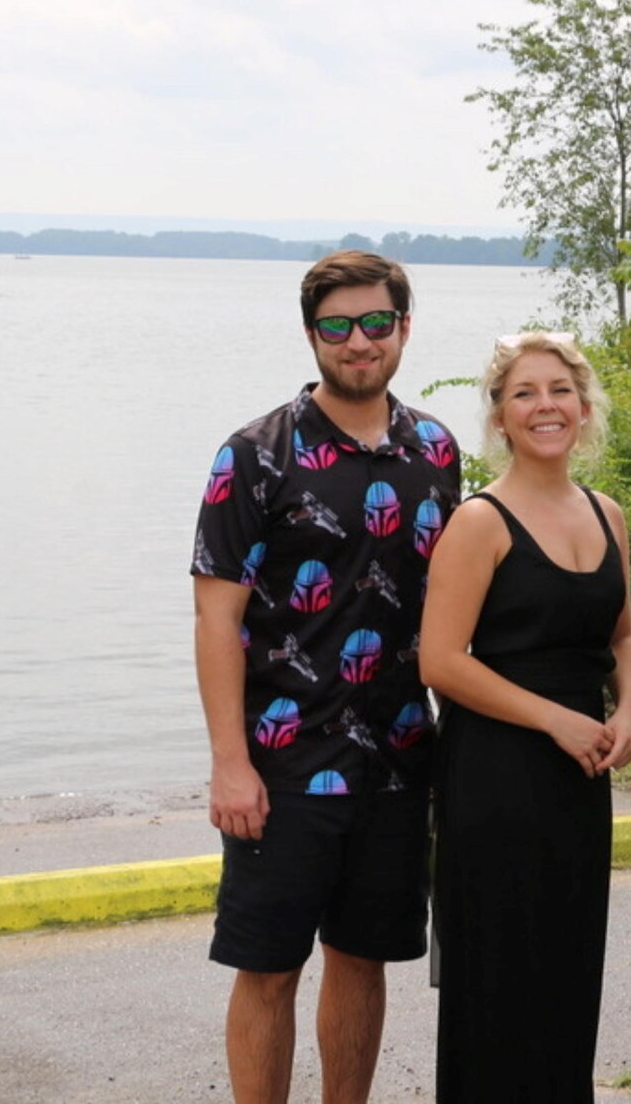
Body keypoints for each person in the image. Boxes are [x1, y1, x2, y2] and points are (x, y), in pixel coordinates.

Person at [191, 250, 462, 1104]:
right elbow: (215, 620)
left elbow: (453, 609)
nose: (358, 342)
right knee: (268, 966)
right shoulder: (255, 455)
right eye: (337, 326)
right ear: (312, 334)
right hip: (283, 755)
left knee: (363, 955)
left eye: (376, 323)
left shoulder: (437, 452)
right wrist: (230, 760)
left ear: (403, 329)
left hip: (396, 753)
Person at [420, 330, 631, 1102]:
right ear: (501, 417)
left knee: (567, 969)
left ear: (584, 406)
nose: (544, 405)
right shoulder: (479, 521)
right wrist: (556, 719)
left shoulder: (607, 513)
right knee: (500, 981)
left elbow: (621, 634)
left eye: (558, 389)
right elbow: (441, 661)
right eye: (524, 393)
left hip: (579, 778)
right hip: (495, 776)